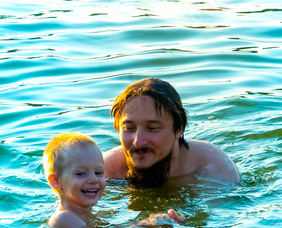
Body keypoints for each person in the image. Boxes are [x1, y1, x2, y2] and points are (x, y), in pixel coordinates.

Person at [103, 78, 240, 187]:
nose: (138, 142)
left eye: (152, 128)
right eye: (129, 128)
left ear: (179, 129)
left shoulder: (215, 170)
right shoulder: (105, 173)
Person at [44, 132, 184, 228]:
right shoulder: (64, 217)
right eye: (81, 174)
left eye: (99, 173)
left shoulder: (84, 212)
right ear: (56, 181)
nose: (93, 179)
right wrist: (146, 224)